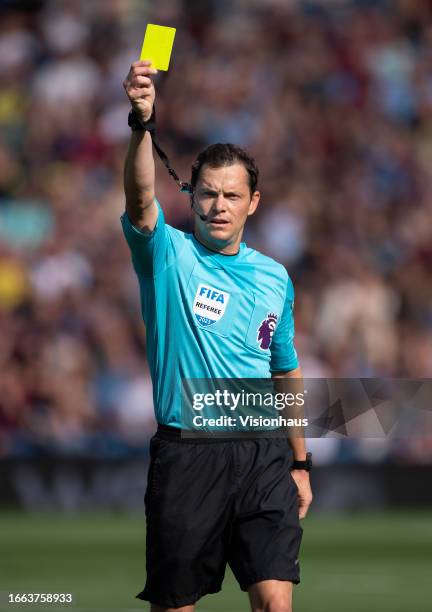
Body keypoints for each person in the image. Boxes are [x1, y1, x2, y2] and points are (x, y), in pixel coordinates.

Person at [122, 60, 313, 612]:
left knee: (276, 603)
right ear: (191, 197)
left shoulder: (275, 275)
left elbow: (286, 372)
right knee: (176, 606)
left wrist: (300, 463)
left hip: (263, 453)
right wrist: (142, 123)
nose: (219, 205)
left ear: (253, 202)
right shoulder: (167, 254)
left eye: (232, 195)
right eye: (208, 193)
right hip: (189, 457)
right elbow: (139, 198)